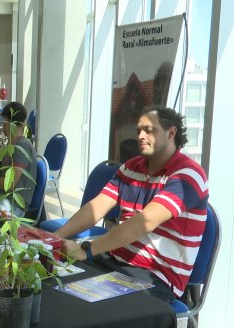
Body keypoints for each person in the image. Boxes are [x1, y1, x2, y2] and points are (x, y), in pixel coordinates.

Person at [58, 105, 209, 303]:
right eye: (138, 130)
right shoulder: (131, 167)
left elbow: (142, 223)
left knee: (80, 309)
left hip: (155, 278)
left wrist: (87, 249)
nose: (140, 136)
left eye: (149, 130)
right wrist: (54, 237)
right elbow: (96, 207)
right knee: (56, 284)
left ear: (171, 132)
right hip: (115, 262)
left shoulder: (187, 176)